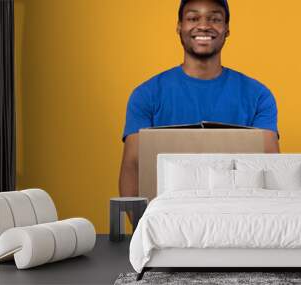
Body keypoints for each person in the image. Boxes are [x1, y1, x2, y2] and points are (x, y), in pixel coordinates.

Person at [119, 0, 280, 198]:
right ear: (179, 26)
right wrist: (144, 226)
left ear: (227, 29)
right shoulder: (146, 95)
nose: (204, 25)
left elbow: (271, 168)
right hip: (166, 220)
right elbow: (133, 167)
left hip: (240, 217)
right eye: (193, 18)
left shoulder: (258, 95)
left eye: (215, 19)